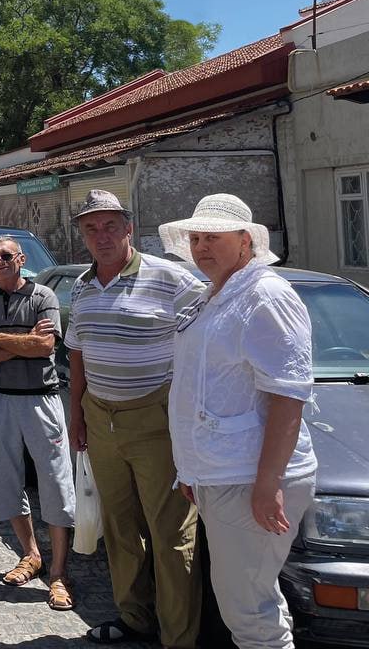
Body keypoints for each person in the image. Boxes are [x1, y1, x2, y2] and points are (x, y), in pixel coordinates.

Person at [160, 194, 317, 649]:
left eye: (214, 237)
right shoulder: (218, 293)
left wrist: (268, 484)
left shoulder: (265, 295)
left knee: (247, 609)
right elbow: (206, 387)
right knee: (249, 598)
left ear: (245, 242)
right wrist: (193, 470)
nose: (202, 247)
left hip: (249, 476)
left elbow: (289, 395)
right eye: (196, 238)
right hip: (222, 472)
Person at [68, 189, 205, 648]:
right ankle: (135, 617)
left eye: (110, 225)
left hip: (155, 417)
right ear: (83, 236)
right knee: (121, 528)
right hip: (100, 417)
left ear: (129, 228)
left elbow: (204, 346)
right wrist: (77, 417)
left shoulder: (173, 278)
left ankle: (178, 637)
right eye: (91, 228)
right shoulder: (83, 286)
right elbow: (78, 357)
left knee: (170, 533)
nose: (101, 235)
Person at [0, 235, 75, 611]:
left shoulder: (43, 296)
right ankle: (31, 554)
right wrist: (20, 339)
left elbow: (45, 347)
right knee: (6, 480)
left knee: (54, 481)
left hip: (41, 400)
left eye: (5, 256)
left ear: (20, 258)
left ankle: (59, 571)